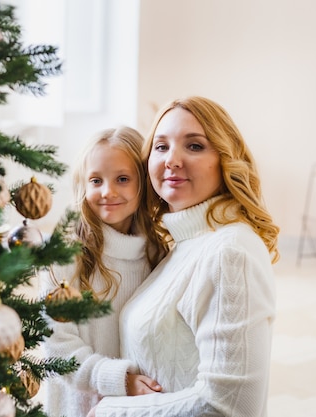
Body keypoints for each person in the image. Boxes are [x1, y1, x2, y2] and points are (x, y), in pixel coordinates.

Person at [90, 96, 280, 417]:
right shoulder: (182, 243)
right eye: (161, 147)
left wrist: (111, 412)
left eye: (194, 146)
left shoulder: (229, 251)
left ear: (225, 159)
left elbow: (229, 405)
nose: (172, 160)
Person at [39, 126, 169, 417]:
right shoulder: (62, 256)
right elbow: (58, 348)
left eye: (122, 179)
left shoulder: (159, 254)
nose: (108, 192)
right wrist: (121, 380)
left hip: (139, 405)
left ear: (143, 184)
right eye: (96, 180)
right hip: (78, 408)